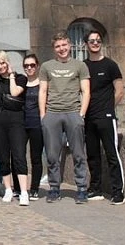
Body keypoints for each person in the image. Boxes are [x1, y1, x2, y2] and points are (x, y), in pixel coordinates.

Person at [39, 31, 91, 204]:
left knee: (78, 154)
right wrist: (43, 115)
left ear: (69, 45)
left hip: (73, 112)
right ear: (54, 49)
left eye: (64, 45)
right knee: (52, 155)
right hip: (52, 113)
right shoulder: (46, 66)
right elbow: (43, 91)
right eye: (58, 46)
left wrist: (81, 114)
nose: (61, 49)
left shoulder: (80, 65)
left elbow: (86, 91)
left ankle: (81, 188)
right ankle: (54, 188)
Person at [84, 31, 125, 205]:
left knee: (111, 154)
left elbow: (120, 91)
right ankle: (95, 189)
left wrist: (108, 108)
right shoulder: (83, 66)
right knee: (92, 155)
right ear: (86, 44)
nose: (95, 43)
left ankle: (118, 192)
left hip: (106, 117)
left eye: (98, 41)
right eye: (92, 41)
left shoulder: (110, 65)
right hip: (88, 117)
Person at [0, 51, 30, 206]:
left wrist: (11, 75)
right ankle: (8, 189)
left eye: (3, 63)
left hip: (17, 121)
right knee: (3, 157)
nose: (0, 66)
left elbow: (15, 92)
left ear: (8, 62)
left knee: (19, 155)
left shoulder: (20, 78)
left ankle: (23, 192)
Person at [22, 54, 44, 200]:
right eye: (26, 66)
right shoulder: (21, 84)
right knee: (19, 156)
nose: (29, 68)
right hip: (21, 124)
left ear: (37, 66)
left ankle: (34, 188)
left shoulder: (42, 84)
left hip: (37, 124)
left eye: (32, 65)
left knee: (36, 158)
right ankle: (20, 187)